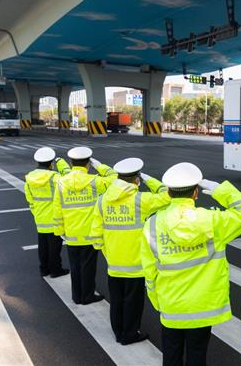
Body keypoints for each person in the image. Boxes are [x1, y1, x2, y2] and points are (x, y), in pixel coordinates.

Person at [140, 162, 241, 366]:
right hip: (202, 306)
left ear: (168, 192)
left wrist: (157, 301)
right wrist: (220, 190)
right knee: (197, 355)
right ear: (195, 193)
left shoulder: (153, 225)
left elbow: (149, 270)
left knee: (171, 355)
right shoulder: (212, 220)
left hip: (171, 304)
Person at [89, 157, 171, 345]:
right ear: (137, 179)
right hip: (136, 264)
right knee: (133, 302)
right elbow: (167, 196)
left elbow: (95, 235)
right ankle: (129, 334)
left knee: (117, 300)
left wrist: (108, 252)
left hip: (114, 263)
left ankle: (118, 332)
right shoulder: (141, 200)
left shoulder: (102, 200)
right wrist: (150, 181)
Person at [56, 146, 117, 305]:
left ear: (71, 163)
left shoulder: (61, 182)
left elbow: (57, 208)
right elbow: (115, 178)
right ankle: (87, 296)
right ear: (88, 164)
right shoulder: (94, 181)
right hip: (90, 234)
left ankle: (77, 296)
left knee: (75, 266)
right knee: (88, 267)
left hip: (71, 233)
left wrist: (59, 230)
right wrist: (100, 166)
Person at [25, 147, 71, 278]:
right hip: (54, 218)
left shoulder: (29, 178)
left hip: (40, 217)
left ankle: (44, 269)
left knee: (43, 246)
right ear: (51, 164)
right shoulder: (54, 177)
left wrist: (36, 213)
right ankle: (56, 270)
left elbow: (30, 199)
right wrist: (61, 163)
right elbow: (69, 179)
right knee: (54, 247)